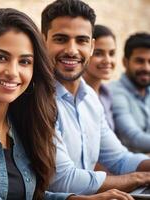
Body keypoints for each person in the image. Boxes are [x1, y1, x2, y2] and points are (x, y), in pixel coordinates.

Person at [0, 7, 134, 200]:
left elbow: (32, 195)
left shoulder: (20, 120)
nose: (13, 72)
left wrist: (79, 199)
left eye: (24, 62)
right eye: (1, 58)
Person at [41, 0, 150, 196]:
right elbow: (64, 180)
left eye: (81, 40)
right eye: (61, 39)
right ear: (42, 42)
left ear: (91, 46)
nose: (72, 50)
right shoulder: (37, 99)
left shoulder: (90, 97)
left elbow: (118, 159)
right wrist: (139, 177)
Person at [110, 32, 150, 153]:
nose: (146, 68)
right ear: (125, 62)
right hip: (127, 169)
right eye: (139, 61)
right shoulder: (114, 92)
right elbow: (132, 138)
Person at [83, 25, 116, 130]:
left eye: (111, 53)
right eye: (98, 53)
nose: (107, 60)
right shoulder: (77, 96)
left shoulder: (106, 94)